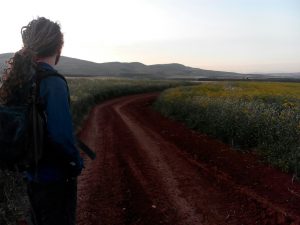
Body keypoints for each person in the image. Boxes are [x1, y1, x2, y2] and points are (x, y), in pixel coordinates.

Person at [0, 17, 84, 225]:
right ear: (58, 47)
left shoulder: (20, 77)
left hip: (30, 174)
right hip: (55, 178)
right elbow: (61, 136)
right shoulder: (52, 82)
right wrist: (75, 163)